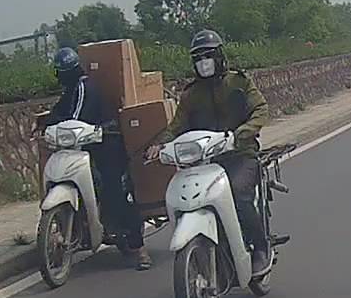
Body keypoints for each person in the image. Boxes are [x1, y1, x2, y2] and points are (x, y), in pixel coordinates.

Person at [148, 30, 271, 275]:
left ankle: (260, 248)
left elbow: (261, 110)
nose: (204, 62)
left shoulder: (239, 82)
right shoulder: (191, 94)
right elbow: (176, 126)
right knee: (188, 196)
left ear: (219, 56)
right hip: (204, 161)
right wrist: (159, 144)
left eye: (208, 56)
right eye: (198, 58)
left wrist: (240, 135)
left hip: (240, 155)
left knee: (238, 194)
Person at [44, 47, 151, 270]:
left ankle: (140, 248)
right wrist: (43, 123)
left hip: (107, 145)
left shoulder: (85, 87)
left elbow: (74, 118)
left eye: (62, 72)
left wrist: (57, 120)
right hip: (85, 147)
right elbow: (58, 113)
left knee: (114, 192)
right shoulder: (70, 91)